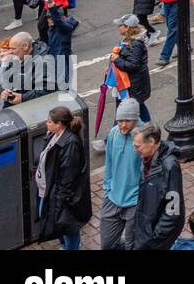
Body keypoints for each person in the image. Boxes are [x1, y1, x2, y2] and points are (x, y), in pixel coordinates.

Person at [37, 105, 92, 250]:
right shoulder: (54, 135)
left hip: (59, 195)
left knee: (68, 227)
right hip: (49, 190)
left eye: (49, 122)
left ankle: (72, 248)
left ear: (59, 124)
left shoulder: (70, 143)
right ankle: (65, 245)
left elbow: (68, 176)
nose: (46, 124)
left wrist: (60, 202)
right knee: (53, 220)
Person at [131, 122, 186, 250]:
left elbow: (173, 210)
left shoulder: (170, 166)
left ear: (151, 142)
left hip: (154, 238)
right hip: (146, 230)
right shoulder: (146, 158)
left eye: (137, 146)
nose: (134, 150)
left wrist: (155, 236)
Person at [99, 98, 144, 250]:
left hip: (134, 202)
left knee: (133, 246)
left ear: (136, 118)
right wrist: (107, 189)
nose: (123, 125)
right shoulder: (114, 133)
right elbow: (109, 162)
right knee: (107, 245)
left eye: (127, 120)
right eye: (120, 120)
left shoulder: (144, 136)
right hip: (113, 199)